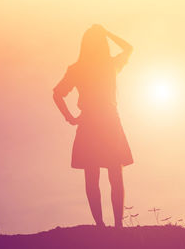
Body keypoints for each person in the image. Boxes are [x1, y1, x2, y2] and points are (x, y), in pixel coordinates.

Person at [52, 24, 134, 228]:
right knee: (114, 173)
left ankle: (101, 225)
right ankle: (117, 225)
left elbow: (57, 93)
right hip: (108, 121)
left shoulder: (79, 68)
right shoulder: (109, 65)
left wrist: (70, 117)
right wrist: (107, 33)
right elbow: (128, 48)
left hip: (90, 123)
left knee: (93, 175)